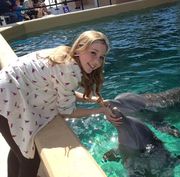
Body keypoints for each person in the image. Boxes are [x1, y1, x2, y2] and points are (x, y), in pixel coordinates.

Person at [0, 30, 122, 177]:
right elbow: (66, 111)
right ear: (79, 48)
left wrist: (94, 100)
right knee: (30, 159)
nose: (97, 61)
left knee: (17, 150)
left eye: (101, 57)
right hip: (5, 99)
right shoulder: (70, 70)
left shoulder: (64, 55)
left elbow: (65, 92)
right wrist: (100, 111)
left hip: (7, 93)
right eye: (93, 53)